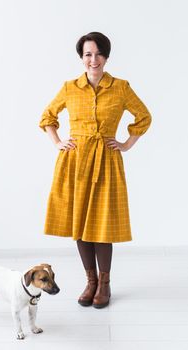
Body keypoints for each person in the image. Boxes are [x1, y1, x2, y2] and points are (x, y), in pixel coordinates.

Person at [39, 32, 152, 309]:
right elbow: (47, 117)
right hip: (75, 162)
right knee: (80, 225)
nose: (93, 59)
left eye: (98, 54)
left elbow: (144, 116)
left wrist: (126, 144)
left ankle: (104, 283)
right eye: (88, 54)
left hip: (106, 161)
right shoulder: (69, 87)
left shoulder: (121, 87)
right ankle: (90, 281)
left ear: (106, 57)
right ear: (81, 58)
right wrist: (58, 142)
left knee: (102, 225)